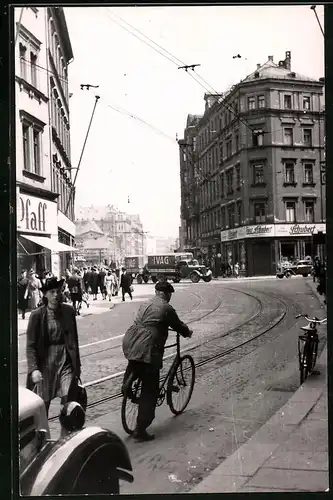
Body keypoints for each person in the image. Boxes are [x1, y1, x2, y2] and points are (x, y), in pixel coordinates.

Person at [122, 281, 193, 442]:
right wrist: (187, 332)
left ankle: (127, 385)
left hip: (132, 340)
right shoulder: (166, 308)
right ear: (167, 294)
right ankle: (140, 429)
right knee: (150, 388)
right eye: (170, 295)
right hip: (149, 347)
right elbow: (178, 325)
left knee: (134, 365)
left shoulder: (145, 303)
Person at [26, 277, 81, 423]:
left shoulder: (69, 311)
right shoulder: (37, 315)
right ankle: (42, 439)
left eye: (58, 291)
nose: (56, 295)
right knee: (42, 404)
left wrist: (78, 368)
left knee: (69, 400)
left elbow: (74, 342)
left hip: (65, 360)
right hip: (45, 362)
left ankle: (67, 435)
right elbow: (31, 345)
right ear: (45, 295)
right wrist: (34, 369)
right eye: (52, 292)